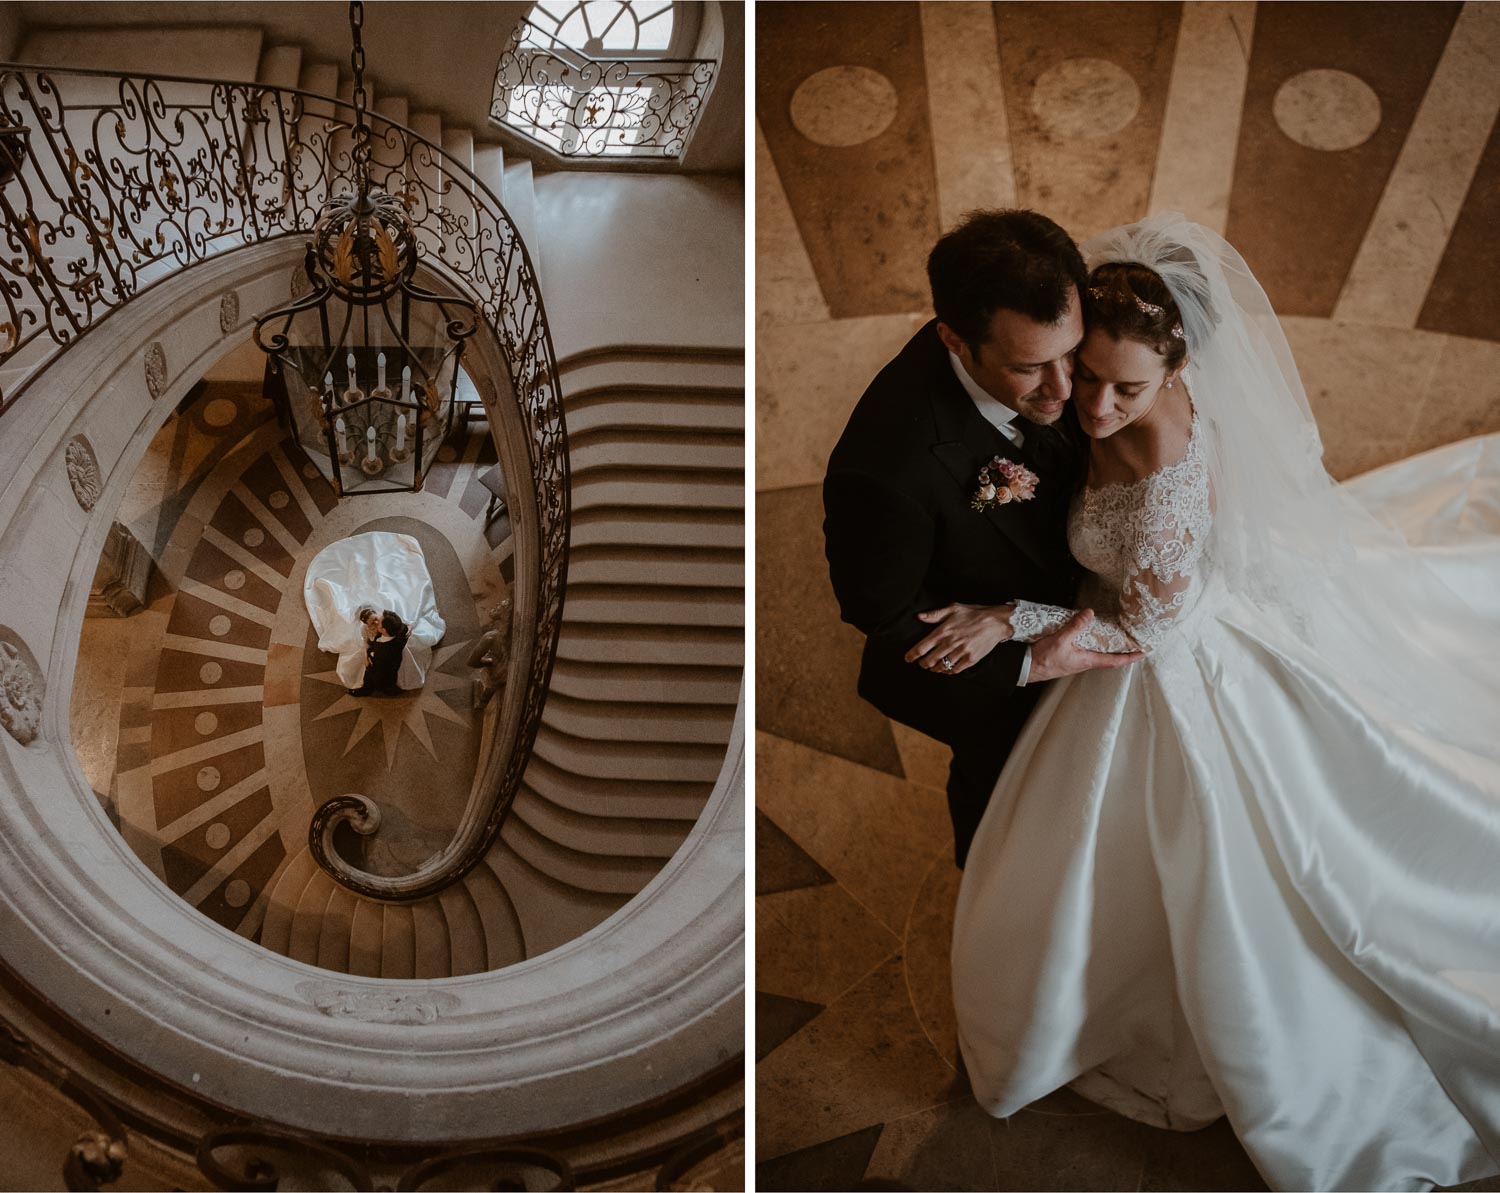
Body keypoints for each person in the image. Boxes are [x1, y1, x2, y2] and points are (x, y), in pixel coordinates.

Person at [948, 212, 1500, 1191]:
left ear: (1174, 373)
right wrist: (990, 492)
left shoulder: (1164, 486)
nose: (1099, 406)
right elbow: (1041, 469)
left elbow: (1141, 630)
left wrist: (1007, 615)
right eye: (1090, 377)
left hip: (1160, 661)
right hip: (1143, 617)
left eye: (1130, 387)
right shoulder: (1084, 400)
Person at [823, 209, 1141, 869]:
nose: (1064, 390)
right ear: (956, 341)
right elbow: (877, 610)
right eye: (1030, 368)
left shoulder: (1075, 356)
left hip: (1079, 594)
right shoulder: (886, 470)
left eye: (1069, 354)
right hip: (999, 686)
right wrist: (1027, 662)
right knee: (1001, 805)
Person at [352, 610, 408, 697]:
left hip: (382, 673)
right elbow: (405, 627)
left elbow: (378, 674)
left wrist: (367, 666)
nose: (377, 623)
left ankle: (366, 690)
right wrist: (410, 628)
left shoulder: (383, 653)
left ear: (383, 630)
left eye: (379, 623)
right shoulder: (398, 631)